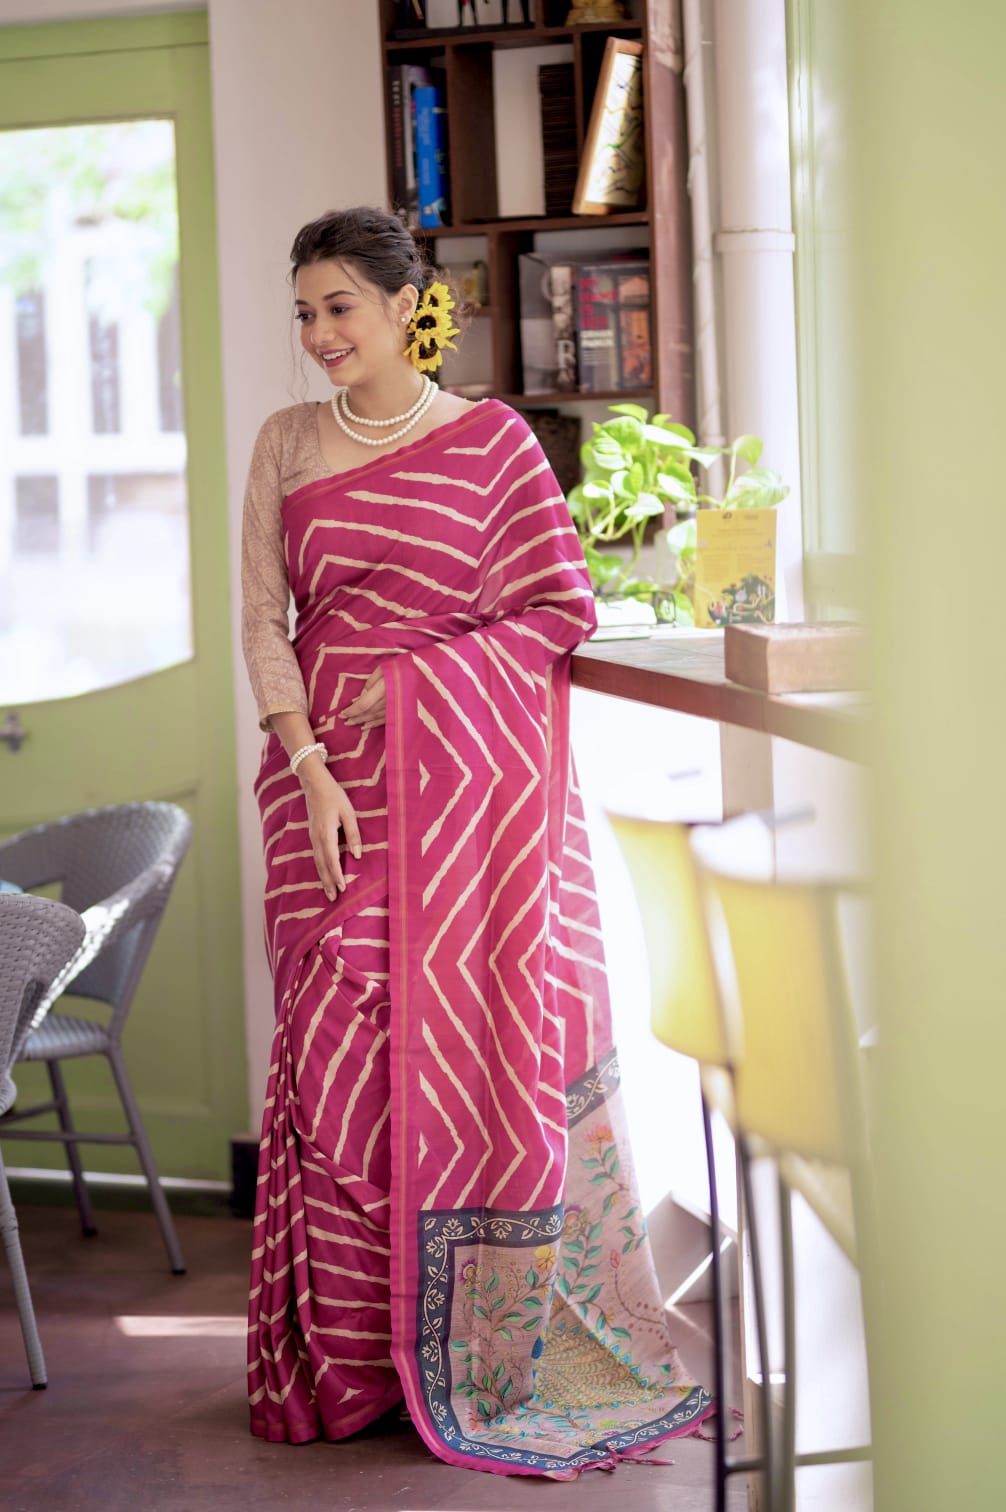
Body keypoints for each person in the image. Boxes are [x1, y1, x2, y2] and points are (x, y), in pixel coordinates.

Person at [241, 206, 712, 1477]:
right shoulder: (285, 443)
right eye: (304, 312)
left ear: (405, 308)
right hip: (324, 796)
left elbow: (561, 605)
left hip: (465, 808)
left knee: (467, 1051)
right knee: (337, 1059)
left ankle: (474, 1360)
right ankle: (354, 1368)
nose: (319, 333)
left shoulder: (492, 442)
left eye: (339, 306)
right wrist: (309, 762)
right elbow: (263, 625)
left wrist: (418, 692)